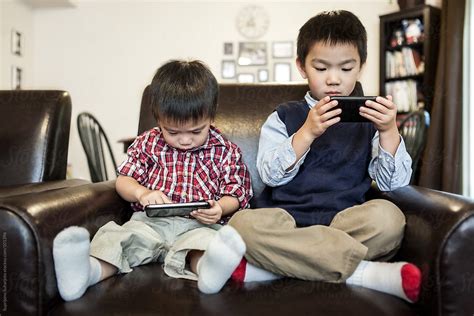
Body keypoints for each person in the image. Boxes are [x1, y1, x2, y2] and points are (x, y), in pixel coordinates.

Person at [227, 10, 422, 303]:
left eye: (346, 69)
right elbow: (270, 175)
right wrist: (306, 132)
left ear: (361, 67)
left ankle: (275, 268)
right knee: (241, 225)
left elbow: (391, 184)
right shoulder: (283, 116)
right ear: (302, 67)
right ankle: (363, 272)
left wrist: (389, 131)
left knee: (389, 219)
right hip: (286, 222)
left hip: (345, 222)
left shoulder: (370, 118)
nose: (333, 79)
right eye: (321, 68)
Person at [52, 60, 253, 301]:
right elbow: (123, 181)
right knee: (118, 238)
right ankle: (86, 272)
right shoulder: (148, 143)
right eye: (173, 132)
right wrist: (142, 194)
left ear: (211, 116)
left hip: (200, 225)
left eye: (196, 131)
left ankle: (209, 272)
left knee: (207, 244)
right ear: (158, 120)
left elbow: (237, 194)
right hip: (149, 224)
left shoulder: (225, 150)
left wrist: (220, 208)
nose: (185, 140)